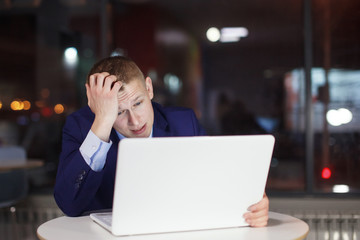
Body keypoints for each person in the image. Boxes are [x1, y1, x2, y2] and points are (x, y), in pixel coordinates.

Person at [54, 56, 269, 227]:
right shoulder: (83, 127)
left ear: (149, 88)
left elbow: (219, 179)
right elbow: (69, 205)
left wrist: (253, 202)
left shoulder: (184, 122)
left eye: (138, 103)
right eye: (118, 112)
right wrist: (101, 122)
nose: (135, 120)